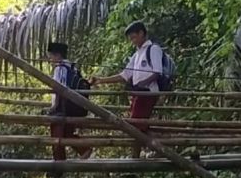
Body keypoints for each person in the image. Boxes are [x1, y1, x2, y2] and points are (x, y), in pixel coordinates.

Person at [89, 21, 163, 158]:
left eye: (134, 37)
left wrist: (142, 84)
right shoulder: (137, 54)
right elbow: (124, 75)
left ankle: (135, 157)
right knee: (140, 126)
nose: (133, 41)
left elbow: (157, 72)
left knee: (135, 125)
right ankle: (159, 149)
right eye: (131, 39)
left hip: (148, 93)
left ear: (142, 33)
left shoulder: (153, 49)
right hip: (138, 94)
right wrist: (101, 80)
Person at [46, 42, 92, 163]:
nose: (50, 59)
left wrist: (54, 106)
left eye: (50, 56)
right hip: (74, 106)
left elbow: (59, 88)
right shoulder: (73, 67)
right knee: (67, 132)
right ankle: (84, 149)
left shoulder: (60, 68)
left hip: (63, 106)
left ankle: (59, 163)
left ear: (57, 55)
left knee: (57, 133)